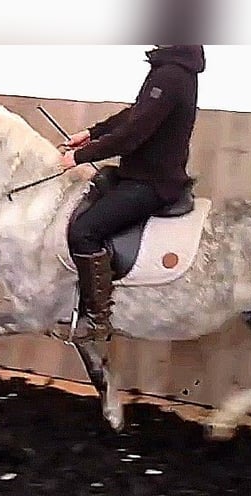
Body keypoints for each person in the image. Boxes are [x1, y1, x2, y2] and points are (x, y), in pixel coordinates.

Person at [56, 44, 206, 343]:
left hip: (153, 183)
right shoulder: (170, 70)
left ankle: (98, 320)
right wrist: (92, 132)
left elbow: (133, 134)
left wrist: (80, 156)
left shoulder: (172, 75)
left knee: (84, 232)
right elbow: (136, 114)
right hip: (137, 174)